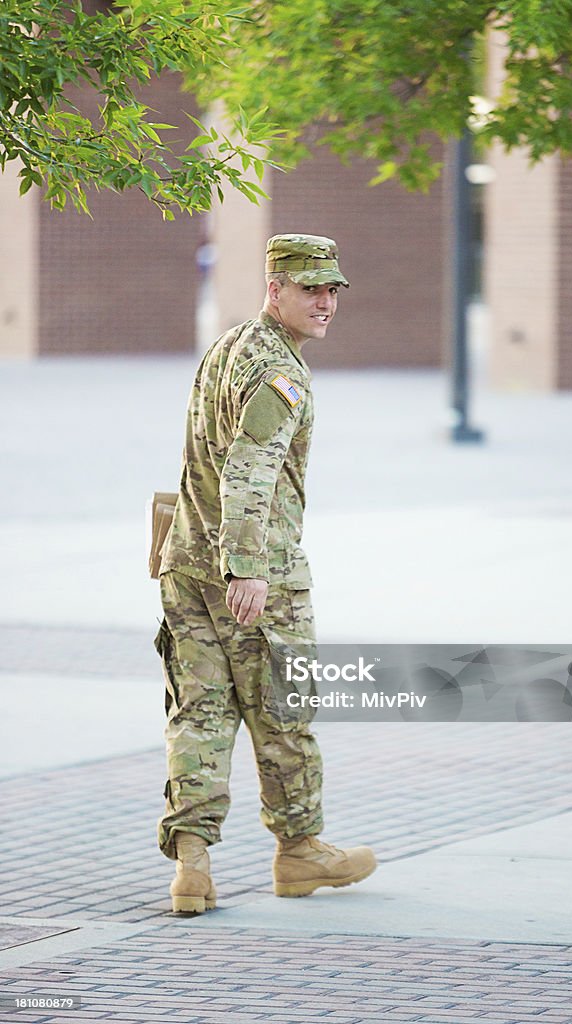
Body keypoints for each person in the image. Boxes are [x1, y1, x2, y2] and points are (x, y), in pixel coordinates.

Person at [155, 233, 376, 913]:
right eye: (310, 288)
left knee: (199, 712)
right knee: (282, 712)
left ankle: (191, 865)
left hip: (186, 562)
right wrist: (248, 570)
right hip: (253, 575)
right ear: (273, 288)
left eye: (332, 288)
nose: (325, 302)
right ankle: (300, 850)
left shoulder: (227, 346)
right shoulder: (277, 371)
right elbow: (249, 470)